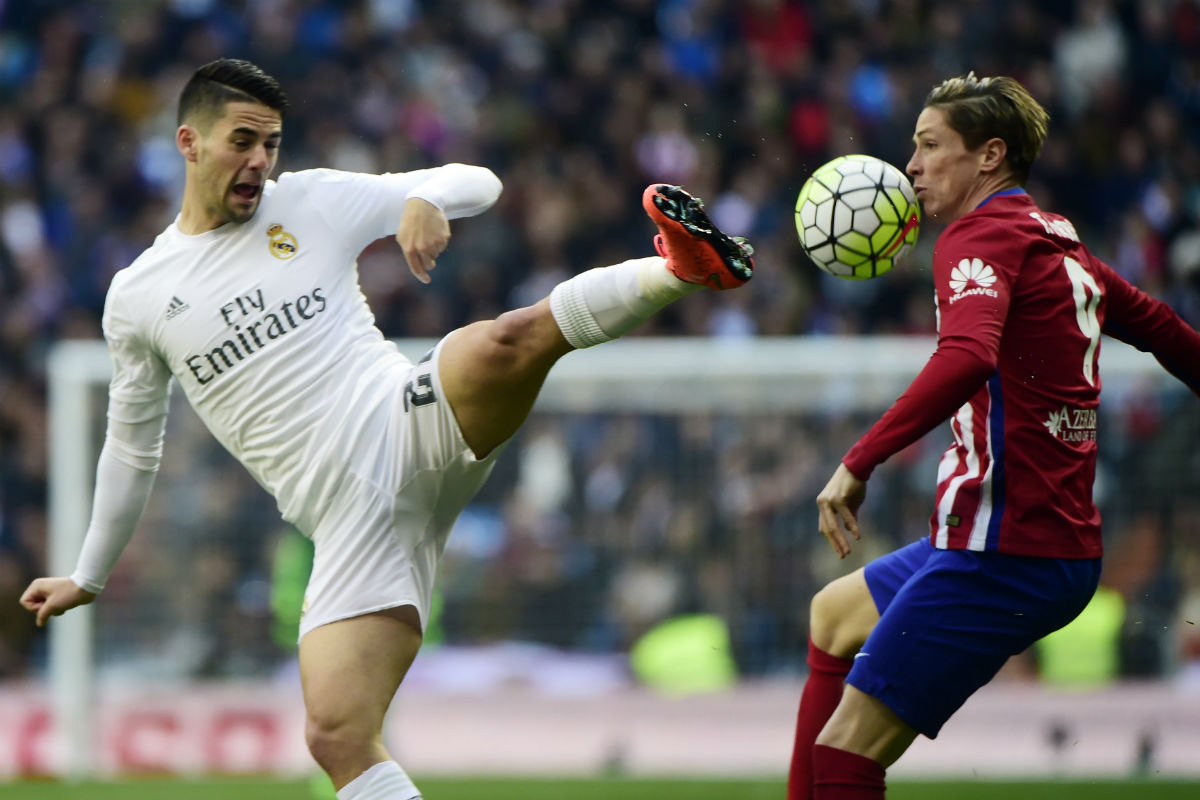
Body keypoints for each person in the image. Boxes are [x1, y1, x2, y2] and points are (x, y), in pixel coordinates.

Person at [18, 58, 754, 800]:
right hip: (344, 525)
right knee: (336, 735)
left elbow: (481, 182)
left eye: (270, 144)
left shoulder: (306, 202)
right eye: (242, 141)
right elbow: (132, 446)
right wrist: (88, 573)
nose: (259, 162)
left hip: (404, 423)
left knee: (493, 345)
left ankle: (684, 270)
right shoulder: (138, 296)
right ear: (189, 142)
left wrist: (426, 196)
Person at [785, 73, 1200, 799]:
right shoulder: (1056, 241)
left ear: (989, 156)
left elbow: (968, 355)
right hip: (1037, 543)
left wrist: (860, 460)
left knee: (845, 756)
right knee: (834, 615)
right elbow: (1162, 327)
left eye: (929, 144)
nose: (910, 164)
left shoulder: (974, 238)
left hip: (1005, 551)